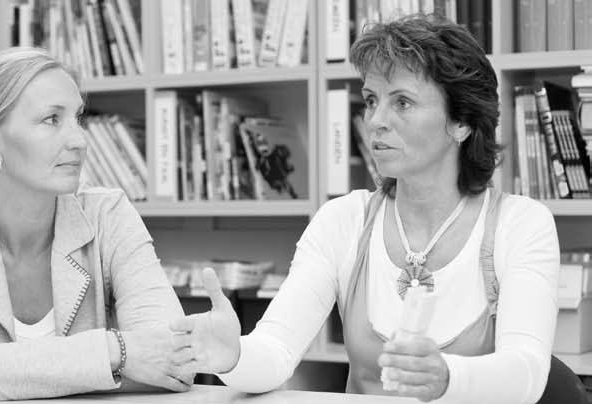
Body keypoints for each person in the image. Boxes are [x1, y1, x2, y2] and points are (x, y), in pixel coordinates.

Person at [172, 14, 559, 404]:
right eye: (372, 100)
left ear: (461, 122)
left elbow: (526, 373)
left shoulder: (520, 224)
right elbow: (276, 349)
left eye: (402, 102)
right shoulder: (343, 220)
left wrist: (447, 378)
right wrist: (233, 356)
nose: (375, 121)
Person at [0, 47, 191, 402]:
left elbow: (175, 361)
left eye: (78, 118)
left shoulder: (108, 215)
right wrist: (118, 350)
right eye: (51, 119)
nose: (79, 140)